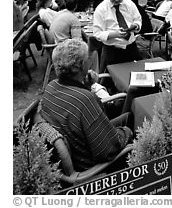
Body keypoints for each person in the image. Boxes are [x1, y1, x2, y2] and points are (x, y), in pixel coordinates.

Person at [39, 39, 133, 171]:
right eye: (88, 58)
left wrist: (87, 86)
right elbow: (108, 150)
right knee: (133, 124)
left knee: (129, 115)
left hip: (77, 144)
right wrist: (128, 132)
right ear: (82, 66)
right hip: (92, 166)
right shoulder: (85, 100)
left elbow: (76, 114)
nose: (90, 61)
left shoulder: (51, 86)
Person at [93, 0, 142, 72]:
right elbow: (97, 33)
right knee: (107, 81)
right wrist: (115, 34)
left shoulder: (129, 4)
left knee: (136, 76)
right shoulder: (101, 9)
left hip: (131, 48)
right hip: (111, 51)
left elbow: (138, 19)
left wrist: (136, 25)